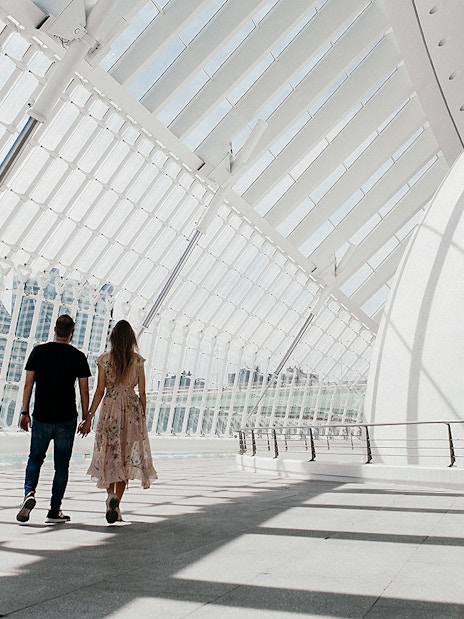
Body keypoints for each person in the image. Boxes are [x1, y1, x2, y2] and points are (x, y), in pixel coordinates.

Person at [78, 319, 157, 523]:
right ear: (131, 339)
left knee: (109, 454)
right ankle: (117, 505)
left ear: (113, 338)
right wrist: (142, 417)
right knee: (125, 457)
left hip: (110, 408)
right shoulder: (138, 361)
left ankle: (110, 496)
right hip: (131, 411)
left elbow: (99, 391)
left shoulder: (104, 360)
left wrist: (88, 417)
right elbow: (143, 393)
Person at [17, 314, 91, 524]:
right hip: (67, 418)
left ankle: (29, 493)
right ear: (72, 332)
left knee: (35, 458)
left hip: (41, 415)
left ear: (55, 329)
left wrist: (24, 412)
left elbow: (28, 385)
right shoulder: (78, 356)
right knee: (61, 465)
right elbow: (84, 391)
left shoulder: (39, 352)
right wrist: (86, 417)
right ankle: (54, 509)